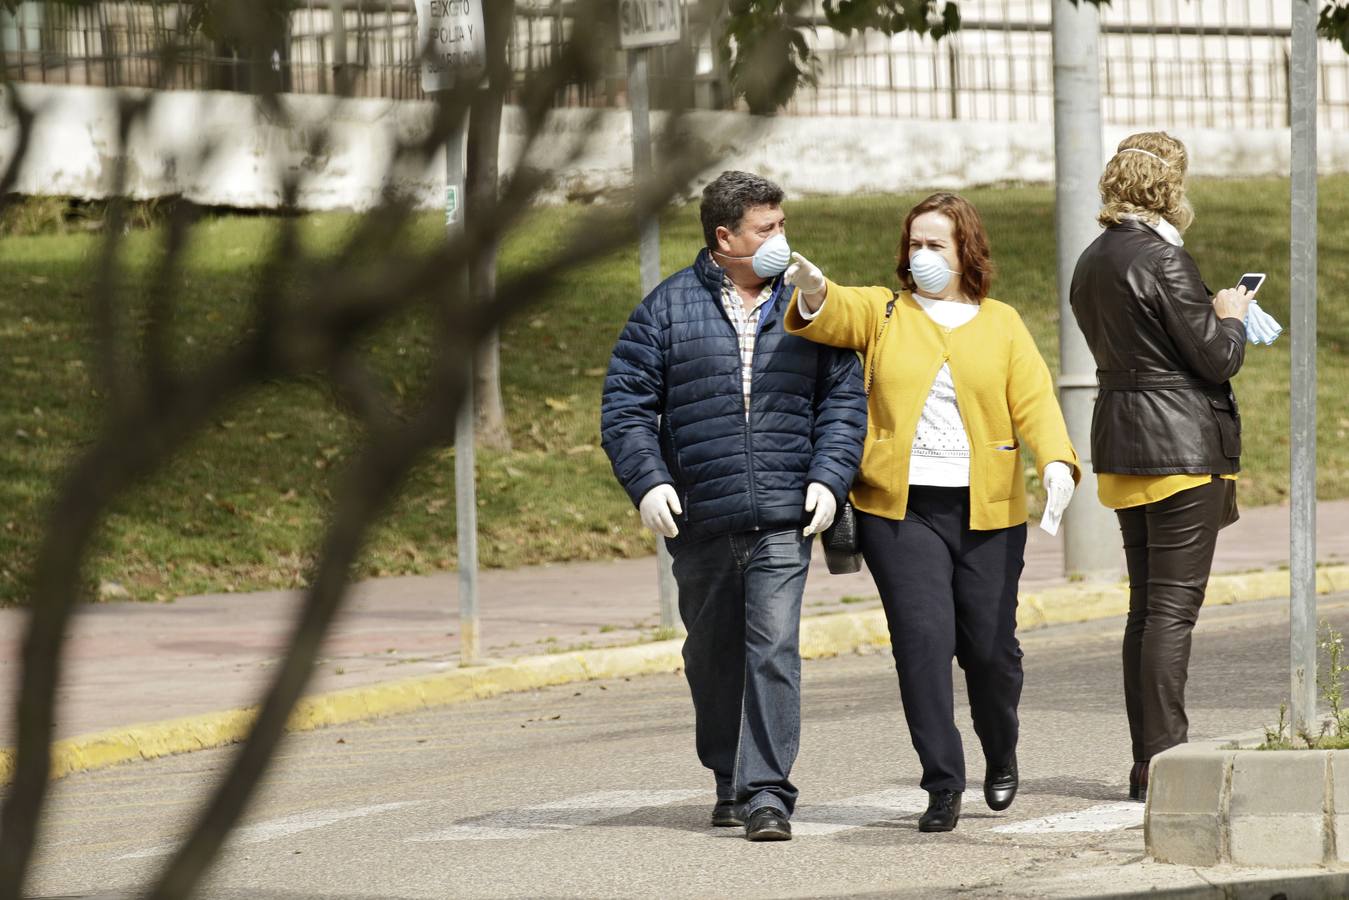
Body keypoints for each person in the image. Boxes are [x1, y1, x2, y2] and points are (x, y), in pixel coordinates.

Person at [783, 192, 1079, 832]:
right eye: (914, 244)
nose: (922, 255)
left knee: (991, 652)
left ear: (965, 251)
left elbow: (1035, 403)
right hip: (900, 511)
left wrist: (1056, 460)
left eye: (935, 244)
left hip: (988, 513)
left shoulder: (1002, 322)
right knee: (923, 646)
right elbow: (830, 311)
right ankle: (943, 782)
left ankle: (1001, 751)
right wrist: (811, 290)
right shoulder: (885, 311)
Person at [600, 171, 867, 841]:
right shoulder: (664, 309)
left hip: (782, 514)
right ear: (725, 237)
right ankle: (727, 773)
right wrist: (649, 481)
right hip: (700, 517)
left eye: (781, 225)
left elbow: (844, 398)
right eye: (765, 229)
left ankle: (768, 792)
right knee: (712, 656)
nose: (780, 239)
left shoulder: (809, 306)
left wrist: (828, 477)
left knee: (773, 649)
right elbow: (625, 407)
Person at [1068, 132, 1250, 802]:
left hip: (1122, 443)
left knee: (1145, 610)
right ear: (1172, 187)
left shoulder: (1091, 259)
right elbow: (1214, 359)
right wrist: (1228, 317)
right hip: (1176, 449)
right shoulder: (1163, 260)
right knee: (1172, 612)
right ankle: (1167, 761)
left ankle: (1148, 762)